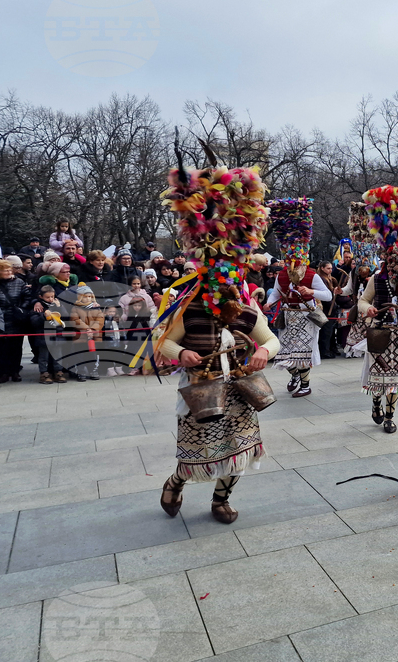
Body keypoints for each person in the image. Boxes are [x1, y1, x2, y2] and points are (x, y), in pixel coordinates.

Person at [157, 162, 278, 525]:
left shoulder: (244, 305)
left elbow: (271, 340)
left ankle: (221, 501)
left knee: (239, 453)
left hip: (239, 392)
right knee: (197, 455)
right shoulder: (190, 304)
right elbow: (162, 342)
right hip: (201, 389)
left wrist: (261, 351)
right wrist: (182, 353)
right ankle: (176, 481)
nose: (223, 282)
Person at [354, 190, 398, 433]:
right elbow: (362, 301)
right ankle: (375, 403)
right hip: (379, 333)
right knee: (377, 378)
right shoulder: (376, 278)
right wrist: (369, 309)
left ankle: (390, 416)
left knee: (396, 380)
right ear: (389, 260)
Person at [265, 198, 331, 398]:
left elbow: (327, 296)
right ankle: (294, 376)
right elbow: (277, 291)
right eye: (289, 258)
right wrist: (269, 302)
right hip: (287, 317)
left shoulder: (312, 275)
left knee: (302, 355)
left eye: (296, 258)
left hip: (306, 318)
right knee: (284, 354)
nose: (293, 262)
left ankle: (305, 385)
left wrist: (311, 292)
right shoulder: (281, 274)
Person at [0, 259, 29, 383]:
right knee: (0, 348)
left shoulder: (19, 282)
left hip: (15, 319)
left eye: (10, 269)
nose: (9, 272)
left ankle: (15, 371)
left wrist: (21, 308)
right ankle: (2, 372)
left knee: (16, 347)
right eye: (5, 270)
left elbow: (26, 296)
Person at [28, 285, 66, 384]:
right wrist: (44, 317)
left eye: (52, 297)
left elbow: (66, 317)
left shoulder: (58, 304)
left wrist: (60, 307)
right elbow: (34, 322)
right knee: (43, 357)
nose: (50, 299)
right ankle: (44, 373)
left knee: (57, 355)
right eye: (47, 297)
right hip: (43, 336)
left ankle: (58, 372)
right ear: (41, 297)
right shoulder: (38, 307)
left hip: (57, 335)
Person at [315, 260, 339, 359]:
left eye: (331, 268)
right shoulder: (322, 279)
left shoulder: (329, 278)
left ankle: (329, 349)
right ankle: (324, 351)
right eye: (328, 268)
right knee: (325, 331)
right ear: (322, 268)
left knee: (330, 331)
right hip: (326, 308)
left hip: (331, 306)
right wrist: (332, 304)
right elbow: (324, 295)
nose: (330, 270)